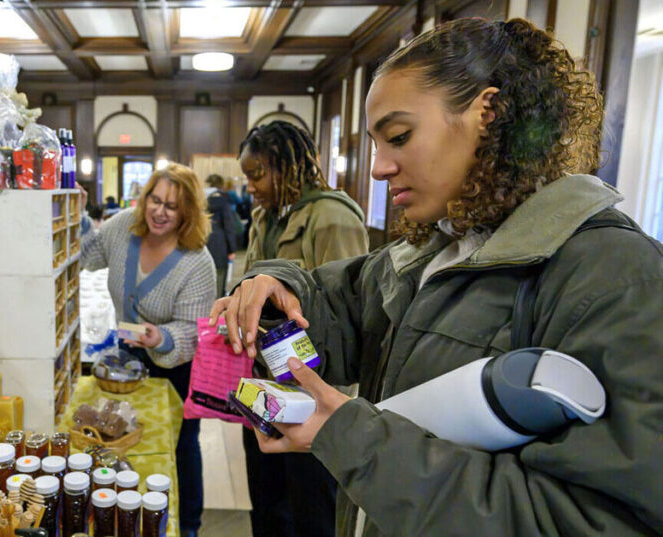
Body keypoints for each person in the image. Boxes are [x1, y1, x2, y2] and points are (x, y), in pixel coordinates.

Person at [211, 18, 663, 537]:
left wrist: (354, 438)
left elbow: (593, 520)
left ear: (487, 115)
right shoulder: (434, 247)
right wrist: (275, 286)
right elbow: (335, 302)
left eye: (399, 136)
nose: (378, 168)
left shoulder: (620, 278)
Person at [237, 120, 369, 537]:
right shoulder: (264, 216)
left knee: (312, 509)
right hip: (265, 386)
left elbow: (348, 311)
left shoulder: (331, 217)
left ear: (286, 167)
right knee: (267, 500)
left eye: (257, 174)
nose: (251, 186)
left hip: (313, 393)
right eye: (247, 177)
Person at [80, 163, 215, 537]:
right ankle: (128, 511)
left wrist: (161, 338)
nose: (159, 211)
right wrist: (74, 211)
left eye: (172, 206)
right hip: (128, 359)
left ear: (187, 211)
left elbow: (194, 330)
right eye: (154, 200)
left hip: (177, 367)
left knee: (181, 445)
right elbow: (87, 254)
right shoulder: (124, 226)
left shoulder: (196, 262)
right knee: (129, 438)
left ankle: (187, 525)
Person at [205, 174, 240, 298]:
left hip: (201, 242)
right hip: (219, 244)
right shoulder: (224, 199)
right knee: (219, 279)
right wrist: (232, 248)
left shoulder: (198, 199)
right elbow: (228, 224)